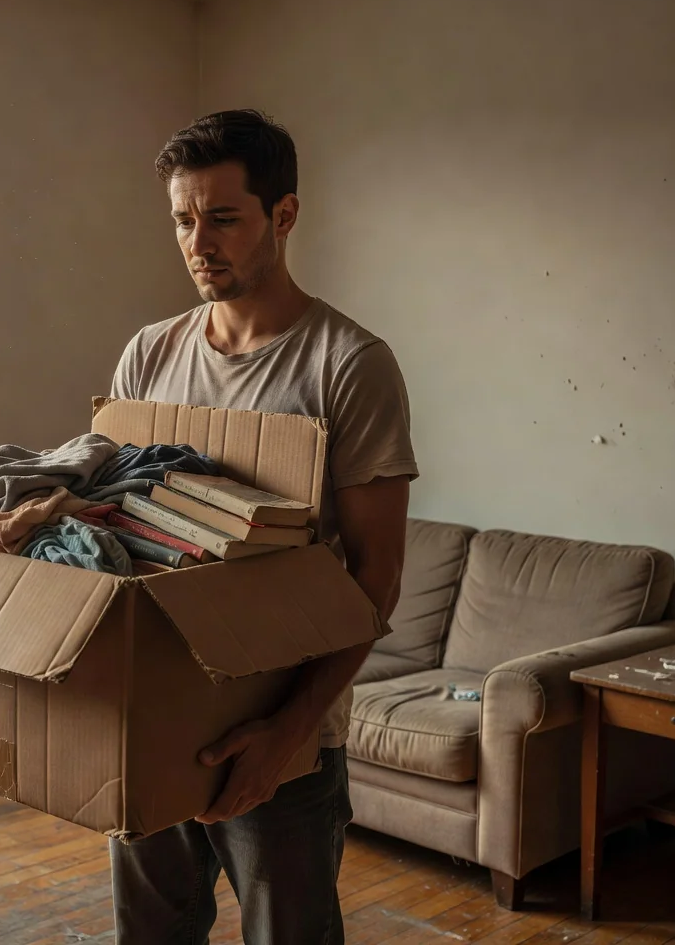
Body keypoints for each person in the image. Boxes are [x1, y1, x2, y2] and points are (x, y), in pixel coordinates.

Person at [109, 108, 419, 944]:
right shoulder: (149, 355)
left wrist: (285, 736)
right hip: (158, 708)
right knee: (152, 931)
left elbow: (375, 581)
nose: (197, 243)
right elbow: (120, 536)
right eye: (182, 219)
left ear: (283, 216)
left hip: (284, 731)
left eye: (223, 218)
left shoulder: (347, 364)